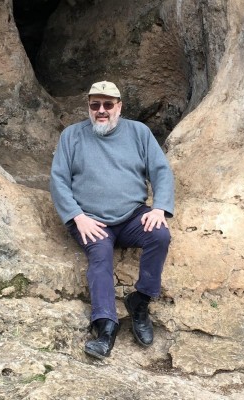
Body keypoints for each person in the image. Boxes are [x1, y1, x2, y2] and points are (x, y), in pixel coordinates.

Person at [50, 80, 175, 360]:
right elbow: (58, 180)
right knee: (101, 256)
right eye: (95, 105)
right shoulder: (72, 136)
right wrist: (77, 217)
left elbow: (161, 171)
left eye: (108, 104)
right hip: (91, 220)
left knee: (160, 235)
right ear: (89, 108)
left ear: (119, 106)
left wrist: (159, 208)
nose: (101, 110)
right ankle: (106, 327)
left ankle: (140, 302)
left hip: (132, 215)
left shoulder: (139, 132)